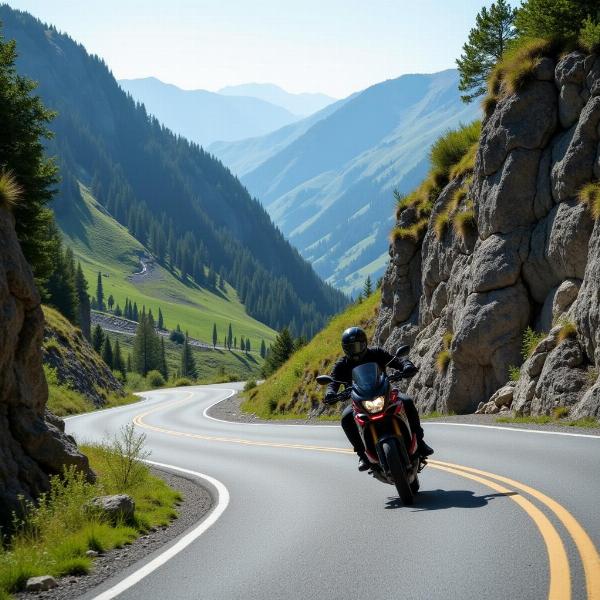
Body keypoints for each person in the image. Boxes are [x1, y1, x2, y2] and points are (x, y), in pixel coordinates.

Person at [324, 326, 434, 472]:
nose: (356, 350)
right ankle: (362, 454)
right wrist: (330, 392)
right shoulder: (342, 365)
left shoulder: (376, 353)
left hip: (385, 393)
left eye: (359, 345)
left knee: (406, 401)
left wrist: (406, 365)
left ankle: (419, 441)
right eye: (351, 347)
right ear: (345, 348)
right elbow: (333, 382)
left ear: (365, 343)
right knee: (346, 418)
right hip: (360, 401)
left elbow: (395, 361)